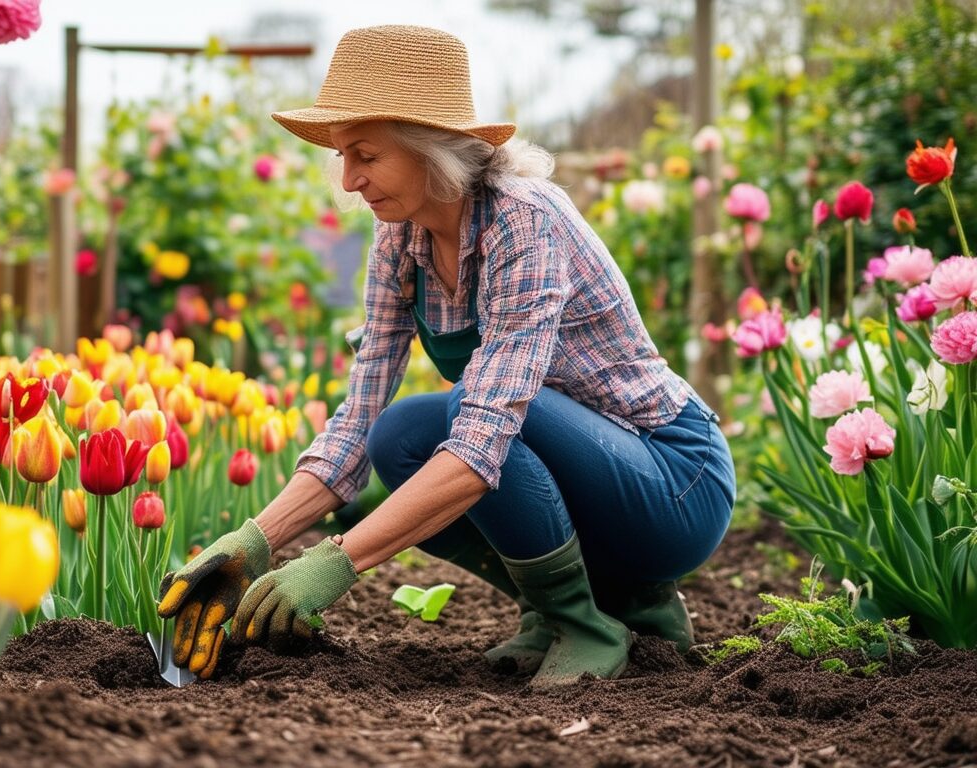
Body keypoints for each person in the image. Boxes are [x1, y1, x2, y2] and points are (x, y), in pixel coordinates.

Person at [156, 24, 736, 688]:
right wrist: (254, 544)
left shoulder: (525, 219)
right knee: (397, 435)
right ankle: (592, 608)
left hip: (672, 480)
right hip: (585, 471)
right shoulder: (399, 241)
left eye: (365, 155)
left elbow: (485, 436)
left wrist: (334, 562)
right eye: (344, 156)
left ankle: (588, 623)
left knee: (465, 411)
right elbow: (357, 417)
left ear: (428, 148)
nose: (349, 181)